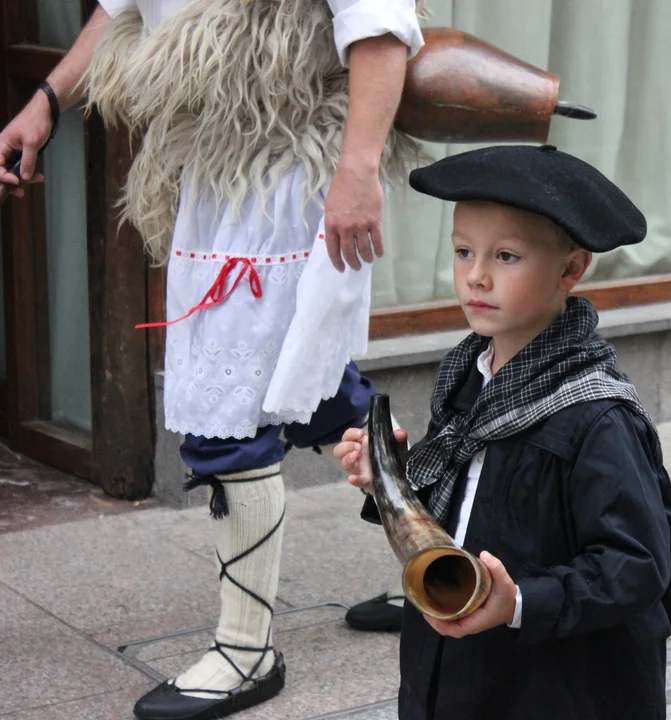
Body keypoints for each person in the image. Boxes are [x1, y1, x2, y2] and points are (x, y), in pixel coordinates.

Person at [0, 1, 425, 718]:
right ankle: (442, 560)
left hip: (290, 168)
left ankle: (246, 651)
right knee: (319, 393)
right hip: (213, 167)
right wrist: (45, 101)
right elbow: (126, 6)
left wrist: (357, 174)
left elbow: (378, 21)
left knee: (231, 415)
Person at [334, 144, 671, 720]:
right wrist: (390, 480)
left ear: (570, 270)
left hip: (550, 687)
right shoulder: (468, 379)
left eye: (506, 256)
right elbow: (462, 516)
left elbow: (637, 565)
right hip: (451, 669)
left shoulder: (596, 417)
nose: (476, 276)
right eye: (463, 251)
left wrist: (517, 601)